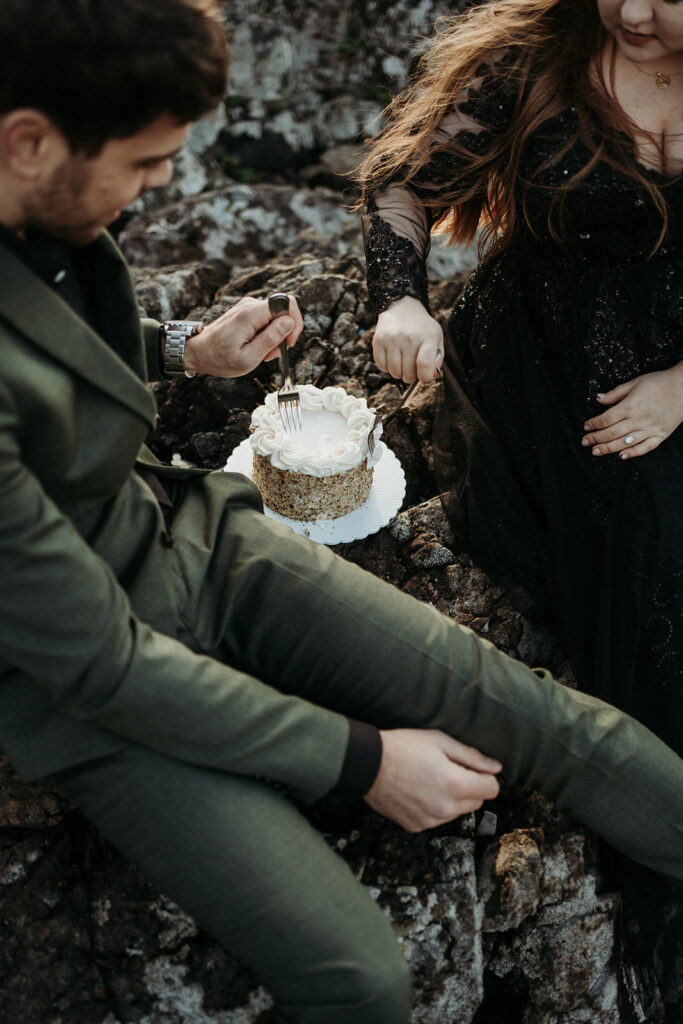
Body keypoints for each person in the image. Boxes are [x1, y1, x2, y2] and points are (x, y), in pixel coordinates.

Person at [0, 1, 682, 1021]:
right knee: (358, 976)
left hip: (199, 537)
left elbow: (40, 329)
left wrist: (183, 344)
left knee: (560, 727)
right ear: (27, 141)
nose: (162, 188)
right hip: (81, 683)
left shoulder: (37, 207)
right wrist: (364, 758)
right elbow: (108, 664)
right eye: (146, 166)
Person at [360, 0, 683, 758]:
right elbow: (404, 183)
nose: (629, 12)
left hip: (673, 372)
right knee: (644, 540)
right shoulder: (534, 56)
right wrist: (400, 300)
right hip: (537, 353)